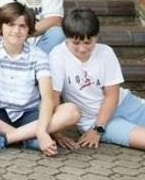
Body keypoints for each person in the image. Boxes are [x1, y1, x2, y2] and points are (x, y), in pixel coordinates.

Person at [0, 2, 80, 154]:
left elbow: (47, 97)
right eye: (11, 25)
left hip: (29, 114)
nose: (16, 31)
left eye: (22, 26)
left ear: (28, 30)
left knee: (72, 111)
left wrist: (42, 131)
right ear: (0, 27)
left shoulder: (39, 56)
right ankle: (27, 137)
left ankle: (5, 139)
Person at [50, 8, 145, 150]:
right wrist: (56, 133)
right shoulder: (57, 55)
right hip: (92, 120)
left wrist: (97, 130)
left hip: (124, 104)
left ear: (96, 37)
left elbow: (112, 95)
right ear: (66, 37)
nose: (82, 49)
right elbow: (54, 96)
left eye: (88, 43)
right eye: (75, 43)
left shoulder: (106, 52)